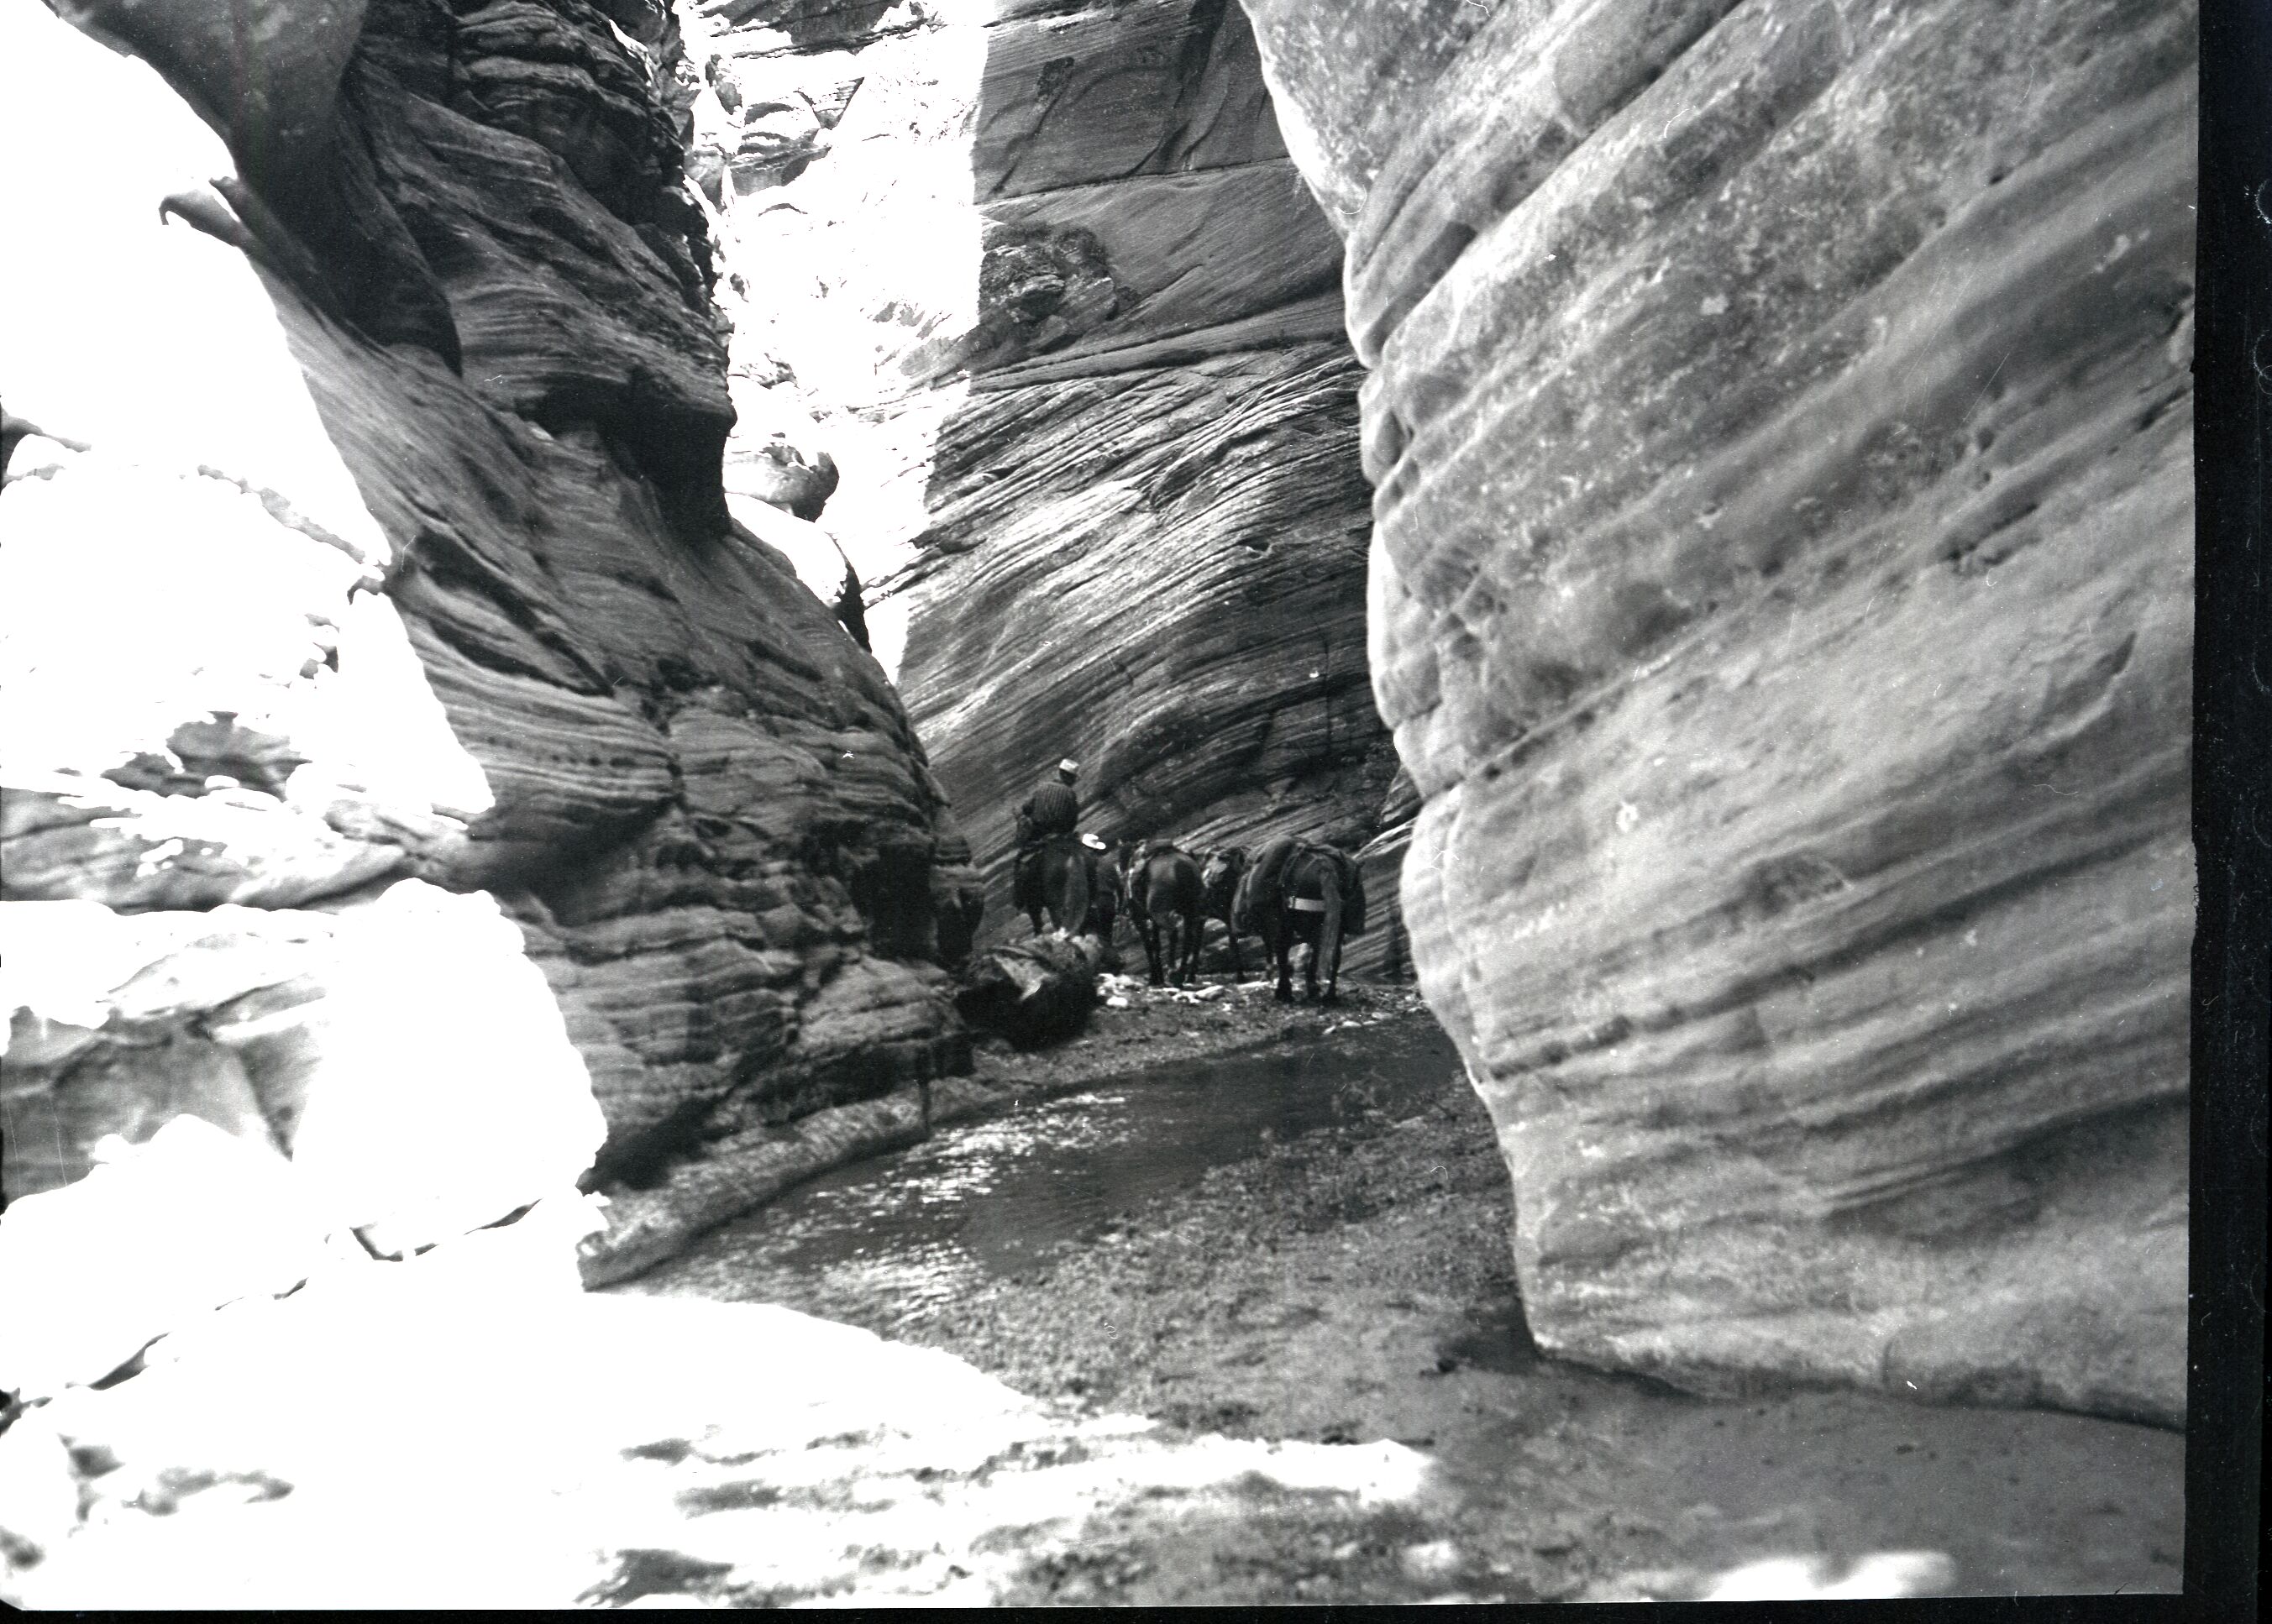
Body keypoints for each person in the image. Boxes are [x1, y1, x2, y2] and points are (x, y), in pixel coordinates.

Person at [1013, 759, 1081, 931]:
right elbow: (1073, 820)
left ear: (1059, 773)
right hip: (1061, 838)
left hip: (1039, 838)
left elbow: (1026, 808)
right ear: (1071, 778)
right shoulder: (1070, 794)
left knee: (1021, 864)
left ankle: (1023, 902)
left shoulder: (1041, 788)